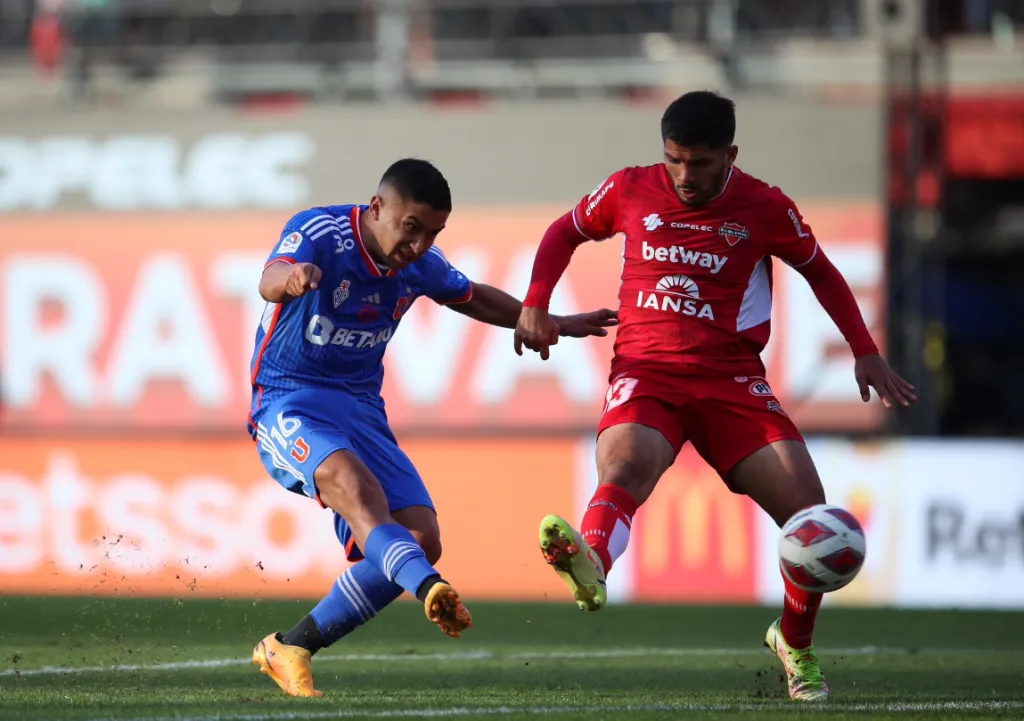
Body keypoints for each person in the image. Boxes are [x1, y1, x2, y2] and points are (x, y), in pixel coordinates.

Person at [513, 91, 916, 702]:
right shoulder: (629, 188)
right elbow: (563, 232)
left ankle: (795, 644)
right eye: (673, 160)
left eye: (698, 163)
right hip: (648, 372)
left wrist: (864, 348)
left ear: (730, 154)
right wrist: (536, 303)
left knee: (811, 519)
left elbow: (823, 272)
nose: (683, 176)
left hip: (731, 383)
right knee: (624, 466)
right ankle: (591, 562)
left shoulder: (765, 205)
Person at [248, 158, 618, 698]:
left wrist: (545, 320)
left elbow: (473, 296)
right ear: (377, 209)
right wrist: (292, 279)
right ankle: (429, 588)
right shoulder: (320, 233)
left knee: (421, 535)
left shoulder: (417, 264)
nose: (418, 245)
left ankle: (290, 647)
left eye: (433, 234)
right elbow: (269, 278)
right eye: (411, 228)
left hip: (359, 406)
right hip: (288, 400)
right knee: (355, 488)